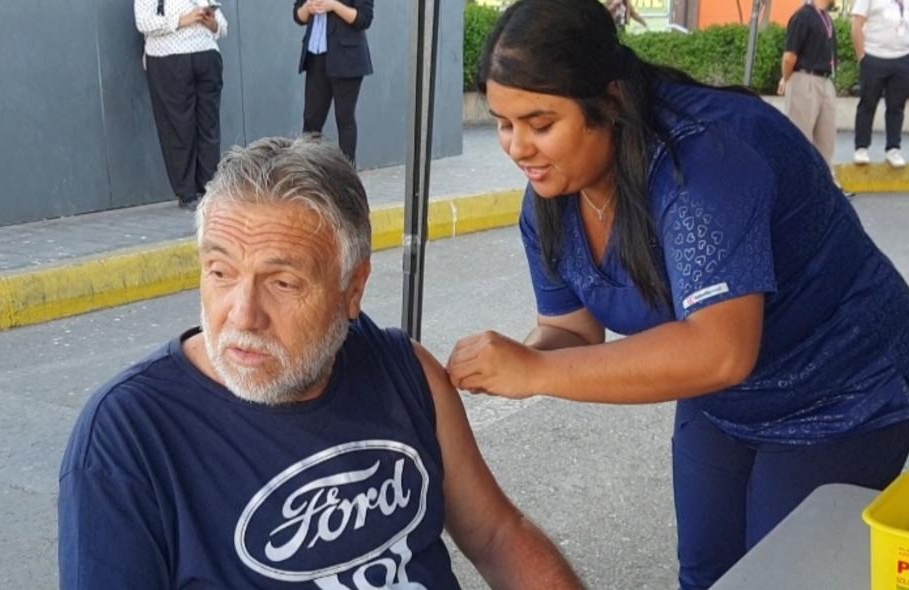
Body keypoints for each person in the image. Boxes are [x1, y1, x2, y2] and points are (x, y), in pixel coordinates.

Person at [448, 1, 909, 587]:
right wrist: (503, 365)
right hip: (723, 399)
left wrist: (534, 373)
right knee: (706, 574)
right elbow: (573, 333)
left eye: (541, 124)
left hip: (841, 387)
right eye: (503, 123)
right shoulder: (549, 202)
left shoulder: (703, 162)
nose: (518, 147)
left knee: (779, 579)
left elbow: (719, 350)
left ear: (611, 100)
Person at [57, 136, 583, 590]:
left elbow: (497, 535)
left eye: (282, 283)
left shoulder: (404, 372)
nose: (243, 315)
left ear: (353, 288)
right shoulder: (127, 437)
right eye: (220, 272)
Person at [135, 0, 227, 211]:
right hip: (168, 58)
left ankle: (209, 187)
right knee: (177, 126)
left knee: (209, 126)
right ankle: (186, 192)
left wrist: (211, 22)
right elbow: (143, 22)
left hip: (207, 56)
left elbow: (223, 26)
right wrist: (182, 20)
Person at [778, 0, 855, 198]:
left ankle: (826, 187)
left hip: (824, 81)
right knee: (801, 138)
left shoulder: (826, 17)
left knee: (826, 139)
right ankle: (797, 190)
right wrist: (787, 80)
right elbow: (789, 56)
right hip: (805, 79)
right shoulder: (802, 16)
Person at [849, 0, 909, 168]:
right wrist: (862, 57)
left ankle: (893, 148)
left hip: (905, 58)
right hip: (874, 56)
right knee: (867, 104)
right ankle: (861, 148)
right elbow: (857, 23)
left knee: (896, 107)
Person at [294, 0, 374, 164]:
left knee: (344, 118)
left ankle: (347, 177)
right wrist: (307, 7)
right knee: (311, 120)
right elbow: (298, 16)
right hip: (316, 56)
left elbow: (364, 19)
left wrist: (334, 5)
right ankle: (307, 173)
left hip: (347, 57)